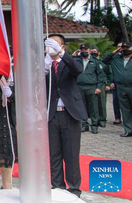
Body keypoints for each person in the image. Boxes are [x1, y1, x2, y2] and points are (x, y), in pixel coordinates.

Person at [45, 34, 86, 198]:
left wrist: (61, 54)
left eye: (54, 44)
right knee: (54, 153)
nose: (50, 47)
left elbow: (77, 70)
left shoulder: (69, 62)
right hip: (51, 114)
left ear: (62, 47)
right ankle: (57, 186)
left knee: (71, 153)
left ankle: (74, 188)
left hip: (70, 114)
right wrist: (43, 65)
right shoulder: (45, 64)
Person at [73, 43, 106, 134]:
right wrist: (74, 54)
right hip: (79, 86)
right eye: (82, 49)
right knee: (82, 106)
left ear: (89, 50)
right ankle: (84, 124)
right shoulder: (76, 60)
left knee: (93, 107)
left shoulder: (95, 61)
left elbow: (101, 76)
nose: (84, 51)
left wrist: (99, 87)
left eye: (85, 49)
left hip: (91, 87)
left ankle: (94, 125)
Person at [102, 41, 132, 137]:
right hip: (121, 87)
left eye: (127, 48)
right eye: (123, 48)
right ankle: (128, 130)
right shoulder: (116, 59)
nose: (125, 50)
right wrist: (115, 52)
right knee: (125, 109)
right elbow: (104, 60)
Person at [91, 46, 112, 127]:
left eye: (95, 51)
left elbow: (109, 74)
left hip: (102, 85)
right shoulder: (90, 62)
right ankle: (95, 119)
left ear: (99, 53)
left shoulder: (103, 62)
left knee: (102, 103)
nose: (93, 53)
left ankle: (102, 119)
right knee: (93, 104)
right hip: (92, 85)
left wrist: (108, 84)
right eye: (92, 52)